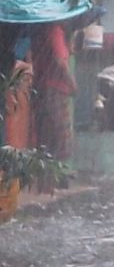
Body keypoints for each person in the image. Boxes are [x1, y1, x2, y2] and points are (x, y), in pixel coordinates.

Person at [31, 23, 77, 165]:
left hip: (47, 88)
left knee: (48, 136)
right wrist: (72, 83)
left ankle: (49, 176)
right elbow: (60, 61)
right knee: (59, 137)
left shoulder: (47, 31)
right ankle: (54, 175)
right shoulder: (55, 30)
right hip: (55, 90)